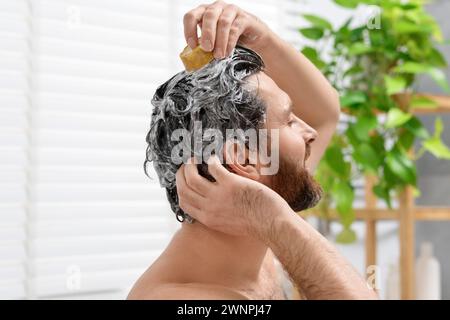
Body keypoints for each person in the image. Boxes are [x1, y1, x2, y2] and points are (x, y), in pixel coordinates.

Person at [127, 1, 378, 300]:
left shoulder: (256, 247)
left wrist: (261, 38)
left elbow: (325, 114)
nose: (309, 131)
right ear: (244, 159)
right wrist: (273, 220)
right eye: (289, 120)